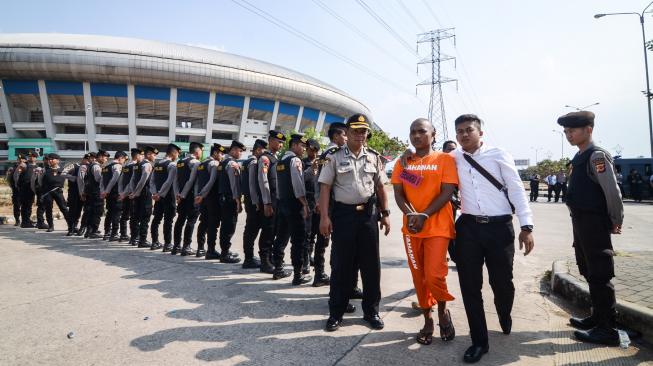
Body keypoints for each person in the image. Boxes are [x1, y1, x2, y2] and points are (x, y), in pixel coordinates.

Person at [451, 114, 534, 363]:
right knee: (469, 286)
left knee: (502, 283)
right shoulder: (453, 157)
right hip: (468, 228)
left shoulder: (499, 154)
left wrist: (526, 225)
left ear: (480, 133)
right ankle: (479, 341)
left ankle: (504, 312)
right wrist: (405, 158)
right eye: (460, 131)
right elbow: (428, 164)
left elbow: (517, 189)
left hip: (500, 229)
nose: (464, 135)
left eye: (469, 130)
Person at [319, 113, 391, 332]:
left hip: (368, 216)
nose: (360, 135)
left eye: (364, 131)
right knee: (342, 265)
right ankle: (336, 313)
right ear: (347, 133)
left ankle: (371, 311)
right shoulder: (334, 157)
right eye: (356, 131)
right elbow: (325, 187)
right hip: (344, 216)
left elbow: (380, 187)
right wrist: (324, 217)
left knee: (371, 266)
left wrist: (385, 213)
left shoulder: (374, 157)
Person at [558, 111, 624, 346]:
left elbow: (612, 191)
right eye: (566, 132)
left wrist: (616, 218)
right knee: (587, 268)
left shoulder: (596, 156)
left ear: (589, 129)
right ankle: (598, 317)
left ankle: (608, 329)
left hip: (595, 223)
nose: (568, 135)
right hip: (582, 222)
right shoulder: (580, 156)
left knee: (600, 272)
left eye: (572, 130)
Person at [392, 118, 458, 345]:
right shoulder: (404, 163)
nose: (417, 135)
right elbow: (401, 193)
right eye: (413, 132)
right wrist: (412, 215)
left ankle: (442, 312)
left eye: (422, 131)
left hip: (437, 226)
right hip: (411, 228)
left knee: (434, 275)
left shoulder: (444, 159)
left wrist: (424, 215)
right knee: (419, 277)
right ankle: (428, 319)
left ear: (434, 134)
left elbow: (447, 191)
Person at [273, 134, 312, 285]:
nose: (304, 149)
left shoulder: (280, 161)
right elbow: (298, 185)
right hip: (295, 205)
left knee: (281, 237)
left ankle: (278, 269)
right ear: (294, 145)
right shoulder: (295, 160)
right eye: (302, 146)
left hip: (282, 203)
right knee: (298, 240)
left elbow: (278, 185)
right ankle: (298, 275)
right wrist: (304, 203)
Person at [256, 130, 287, 274]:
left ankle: (270, 258)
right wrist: (267, 203)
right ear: (270, 141)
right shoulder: (265, 158)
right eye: (278, 141)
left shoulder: (275, 158)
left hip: (277, 200)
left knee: (274, 230)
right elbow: (263, 181)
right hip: (269, 200)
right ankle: (264, 262)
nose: (280, 144)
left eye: (282, 142)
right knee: (268, 231)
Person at [172, 142, 203, 256]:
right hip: (190, 196)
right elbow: (191, 181)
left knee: (180, 220)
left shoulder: (179, 162)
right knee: (191, 221)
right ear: (196, 151)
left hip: (181, 197)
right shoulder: (195, 163)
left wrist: (177, 195)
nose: (201, 153)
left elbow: (174, 181)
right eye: (201, 150)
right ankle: (186, 247)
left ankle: (176, 246)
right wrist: (183, 195)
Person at [195, 144, 225, 259]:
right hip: (212, 198)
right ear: (215, 153)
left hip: (203, 199)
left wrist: (199, 195)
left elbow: (198, 182)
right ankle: (211, 250)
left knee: (203, 223)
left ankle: (200, 249)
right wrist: (202, 195)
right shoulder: (214, 163)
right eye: (221, 154)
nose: (222, 156)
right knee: (213, 225)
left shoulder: (202, 164)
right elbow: (212, 181)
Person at [217, 140, 245, 264]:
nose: (240, 154)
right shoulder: (232, 164)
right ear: (233, 150)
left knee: (225, 226)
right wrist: (238, 201)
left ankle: (225, 250)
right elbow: (234, 186)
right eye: (239, 151)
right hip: (230, 199)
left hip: (223, 198)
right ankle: (224, 254)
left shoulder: (222, 162)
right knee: (229, 226)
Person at [241, 139, 267, 268]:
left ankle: (249, 257)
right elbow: (252, 184)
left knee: (250, 229)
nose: (264, 153)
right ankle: (249, 259)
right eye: (263, 150)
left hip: (248, 199)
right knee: (251, 230)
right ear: (258, 150)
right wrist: (256, 201)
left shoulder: (246, 161)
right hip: (253, 201)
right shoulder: (253, 162)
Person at [150, 143, 180, 252]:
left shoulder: (157, 164)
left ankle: (154, 242)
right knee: (168, 221)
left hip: (158, 197)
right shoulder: (172, 165)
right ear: (174, 153)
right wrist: (160, 193)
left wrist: (154, 193)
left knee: (156, 219)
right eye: (178, 154)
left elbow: (152, 181)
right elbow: (169, 182)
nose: (178, 156)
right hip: (168, 197)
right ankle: (167, 244)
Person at [302, 139, 322, 280]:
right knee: (307, 234)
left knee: (316, 232)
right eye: (310, 149)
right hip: (307, 201)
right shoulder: (301, 163)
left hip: (318, 202)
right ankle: (305, 262)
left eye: (315, 150)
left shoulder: (322, 163)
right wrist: (311, 169)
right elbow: (299, 180)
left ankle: (311, 256)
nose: (312, 152)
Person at [129, 146, 156, 248]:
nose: (154, 157)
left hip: (137, 195)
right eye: (153, 155)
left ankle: (134, 238)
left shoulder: (137, 164)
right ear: (148, 155)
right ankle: (142, 240)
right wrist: (136, 192)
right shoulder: (147, 164)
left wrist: (133, 192)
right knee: (145, 217)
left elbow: (132, 180)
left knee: (136, 217)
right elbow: (143, 180)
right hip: (144, 194)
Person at [40, 153, 71, 232]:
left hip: (58, 191)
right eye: (49, 159)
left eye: (52, 159)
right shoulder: (45, 170)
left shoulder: (62, 170)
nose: (50, 161)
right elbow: (41, 181)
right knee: (48, 209)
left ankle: (71, 225)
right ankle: (51, 226)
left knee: (64, 208)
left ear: (57, 160)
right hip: (47, 192)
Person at [101, 151, 127, 241]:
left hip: (108, 194)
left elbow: (102, 181)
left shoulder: (105, 167)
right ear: (120, 158)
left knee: (109, 213)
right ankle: (114, 233)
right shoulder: (118, 166)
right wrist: (107, 190)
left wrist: (103, 191)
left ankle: (107, 233)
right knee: (117, 213)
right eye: (124, 159)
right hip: (116, 193)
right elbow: (114, 180)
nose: (124, 162)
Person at [118, 148, 141, 244]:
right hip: (131, 194)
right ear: (137, 156)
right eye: (141, 155)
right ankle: (134, 236)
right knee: (133, 216)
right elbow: (131, 182)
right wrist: (126, 193)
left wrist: (121, 193)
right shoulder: (135, 166)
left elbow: (120, 181)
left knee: (124, 215)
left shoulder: (125, 165)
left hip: (125, 194)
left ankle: (123, 234)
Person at [84, 150, 109, 239]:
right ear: (101, 157)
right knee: (97, 212)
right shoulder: (96, 167)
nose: (106, 160)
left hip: (91, 192)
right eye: (105, 158)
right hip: (96, 192)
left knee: (91, 212)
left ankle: (89, 231)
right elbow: (98, 179)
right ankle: (93, 231)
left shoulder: (91, 165)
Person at [15, 151, 38, 228]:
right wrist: (17, 185)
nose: (31, 157)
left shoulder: (36, 167)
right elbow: (16, 175)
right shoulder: (24, 165)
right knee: (25, 206)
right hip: (24, 189)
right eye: (29, 156)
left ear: (36, 158)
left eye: (33, 156)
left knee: (29, 205)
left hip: (31, 189)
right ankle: (25, 222)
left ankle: (27, 220)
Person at [65, 155, 85, 236]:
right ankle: (70, 229)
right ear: (83, 159)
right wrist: (74, 178)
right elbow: (63, 173)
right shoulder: (73, 165)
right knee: (72, 211)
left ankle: (75, 226)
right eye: (86, 159)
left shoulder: (87, 167)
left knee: (79, 210)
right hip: (73, 192)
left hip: (82, 192)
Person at [74, 153, 93, 237]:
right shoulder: (84, 167)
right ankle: (82, 227)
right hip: (86, 192)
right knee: (87, 211)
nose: (89, 160)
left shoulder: (93, 166)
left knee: (93, 212)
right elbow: (80, 181)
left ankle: (90, 229)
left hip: (93, 192)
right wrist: (81, 193)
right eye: (88, 158)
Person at [31, 154, 49, 230]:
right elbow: (34, 181)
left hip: (48, 191)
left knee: (45, 207)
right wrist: (35, 191)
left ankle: (42, 222)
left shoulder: (50, 168)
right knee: (41, 207)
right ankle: (40, 223)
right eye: (46, 159)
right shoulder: (40, 169)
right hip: (42, 191)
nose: (48, 161)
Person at [6, 154, 23, 226]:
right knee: (16, 206)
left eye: (22, 159)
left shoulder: (27, 167)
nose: (20, 160)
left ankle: (26, 220)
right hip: (16, 191)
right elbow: (9, 179)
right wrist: (13, 187)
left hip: (25, 190)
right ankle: (17, 220)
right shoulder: (12, 168)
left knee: (26, 206)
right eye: (19, 159)